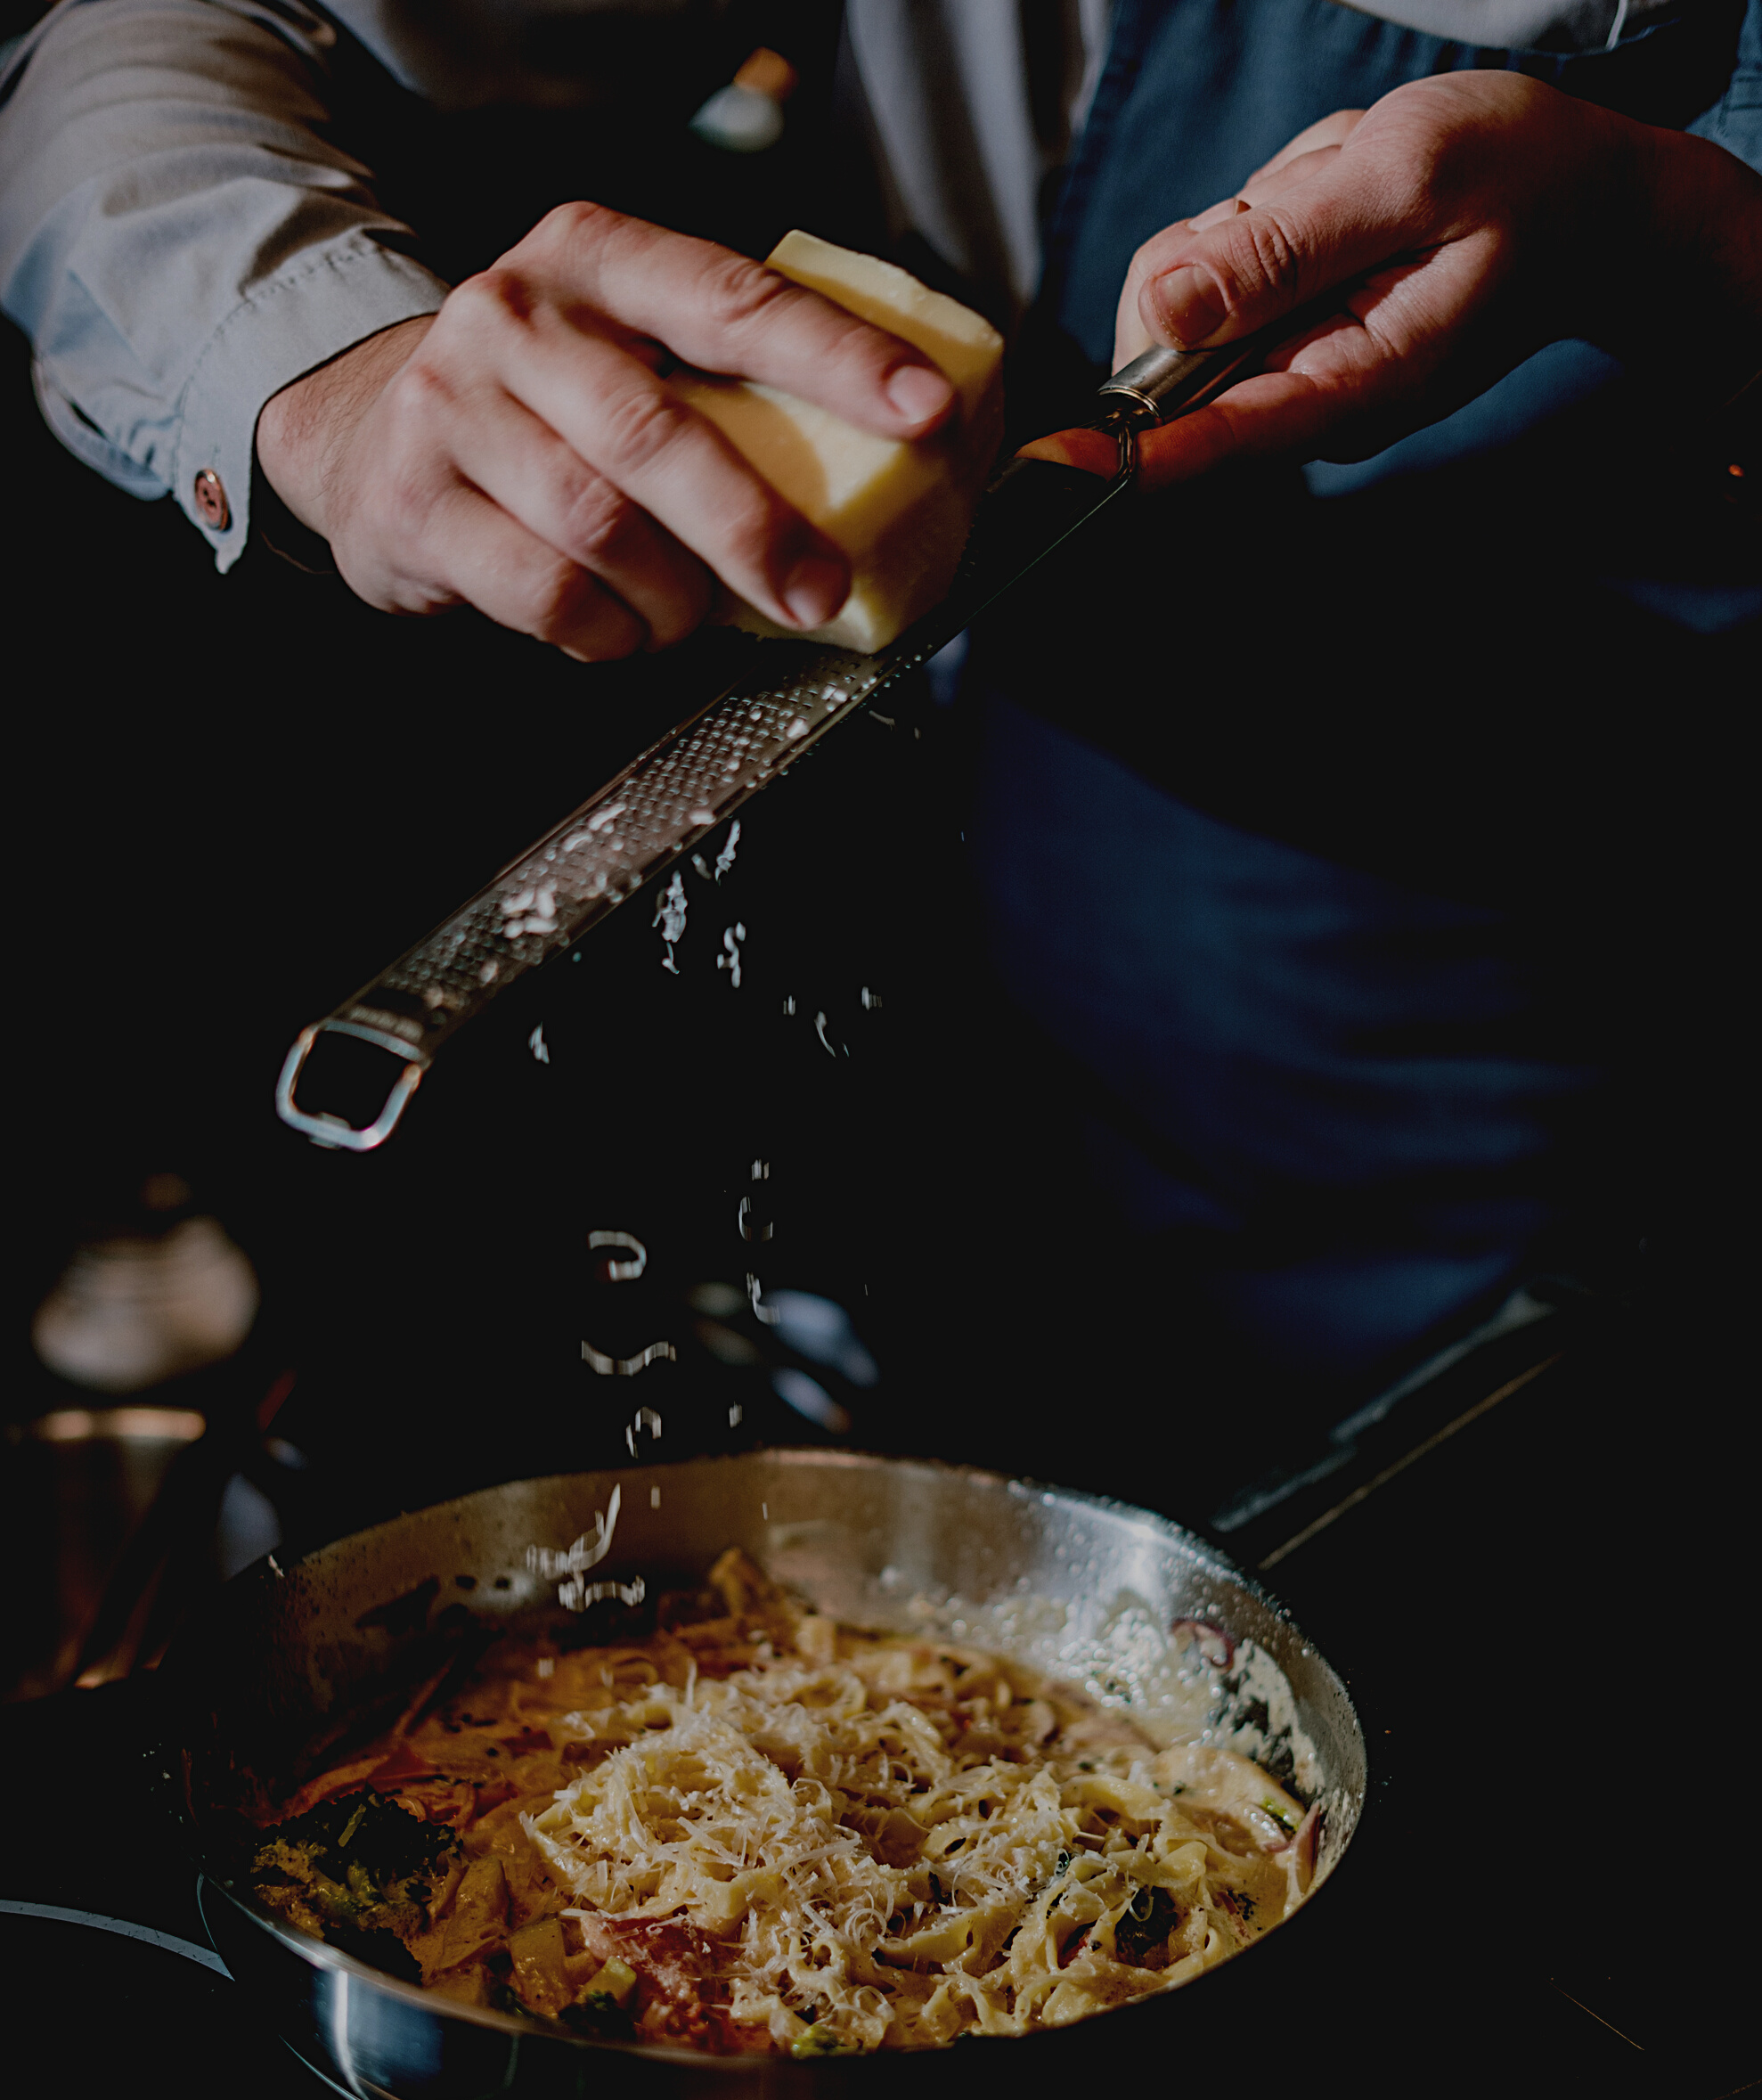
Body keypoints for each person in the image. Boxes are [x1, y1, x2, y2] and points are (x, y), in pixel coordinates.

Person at [2, 2, 1757, 1492]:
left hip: (1618, 945)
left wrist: (1675, 218)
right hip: (1016, 880)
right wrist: (317, 367)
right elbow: (142, 35)